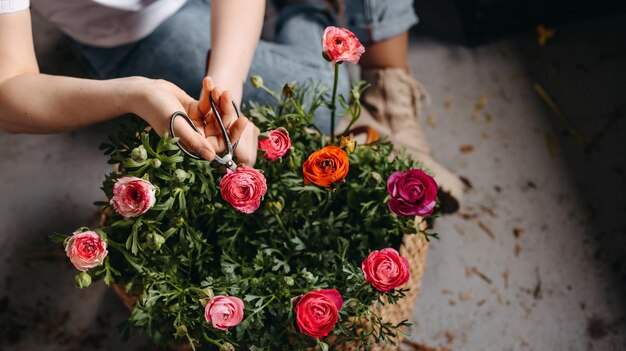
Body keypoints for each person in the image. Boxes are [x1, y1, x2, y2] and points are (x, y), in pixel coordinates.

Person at [0, 0, 463, 212]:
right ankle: (310, 11)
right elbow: (10, 90)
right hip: (143, 22)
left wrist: (224, 87)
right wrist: (136, 93)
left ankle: (390, 95)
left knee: (324, 93)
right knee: (328, 99)